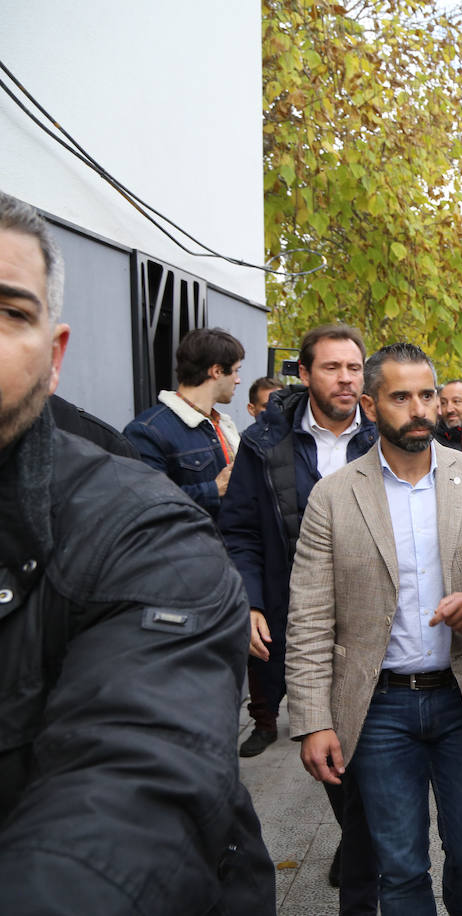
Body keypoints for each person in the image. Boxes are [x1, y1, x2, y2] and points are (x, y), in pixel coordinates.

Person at [0, 190, 273, 912]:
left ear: (53, 357)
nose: (241, 380)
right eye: (235, 368)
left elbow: (136, 783)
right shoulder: (151, 435)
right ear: (213, 370)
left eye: (8, 312)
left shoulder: (130, 524)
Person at [287, 343, 462, 916]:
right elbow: (308, 614)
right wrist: (312, 721)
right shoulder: (333, 496)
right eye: (401, 397)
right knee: (400, 868)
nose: (419, 409)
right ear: (369, 404)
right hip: (379, 707)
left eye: (427, 395)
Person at [218, 323, 379, 912]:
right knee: (329, 748)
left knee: (369, 754)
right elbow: (238, 531)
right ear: (305, 373)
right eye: (333, 368)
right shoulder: (267, 444)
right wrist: (251, 600)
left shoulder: (386, 433)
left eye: (354, 368)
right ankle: (362, 839)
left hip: (374, 625)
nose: (345, 378)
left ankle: (364, 854)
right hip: (300, 623)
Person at [124, 326, 243, 516]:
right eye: (236, 371)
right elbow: (144, 504)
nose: (238, 380)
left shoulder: (222, 423)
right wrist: (213, 489)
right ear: (217, 371)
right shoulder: (147, 431)